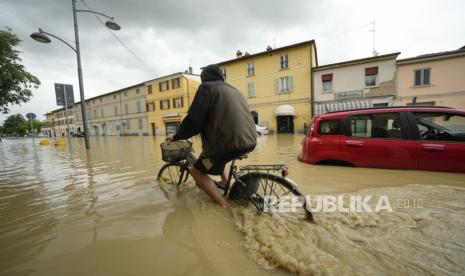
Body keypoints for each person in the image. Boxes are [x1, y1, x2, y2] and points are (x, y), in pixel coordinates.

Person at [166, 64, 257, 208]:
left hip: (228, 142)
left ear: (204, 78)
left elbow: (194, 120)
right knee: (221, 156)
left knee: (197, 171)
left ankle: (224, 205)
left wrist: (177, 136)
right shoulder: (235, 90)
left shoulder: (206, 88)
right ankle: (225, 182)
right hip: (250, 139)